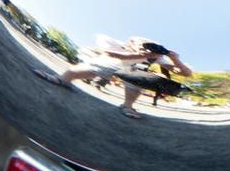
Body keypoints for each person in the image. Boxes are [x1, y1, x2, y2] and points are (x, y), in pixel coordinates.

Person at [38, 37, 194, 118]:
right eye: (146, 44)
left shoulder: (158, 58)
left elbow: (187, 74)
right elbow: (110, 54)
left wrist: (175, 59)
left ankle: (127, 105)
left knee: (137, 80)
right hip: (117, 61)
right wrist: (138, 53)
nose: (150, 48)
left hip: (133, 71)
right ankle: (62, 79)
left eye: (156, 47)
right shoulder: (122, 45)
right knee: (95, 66)